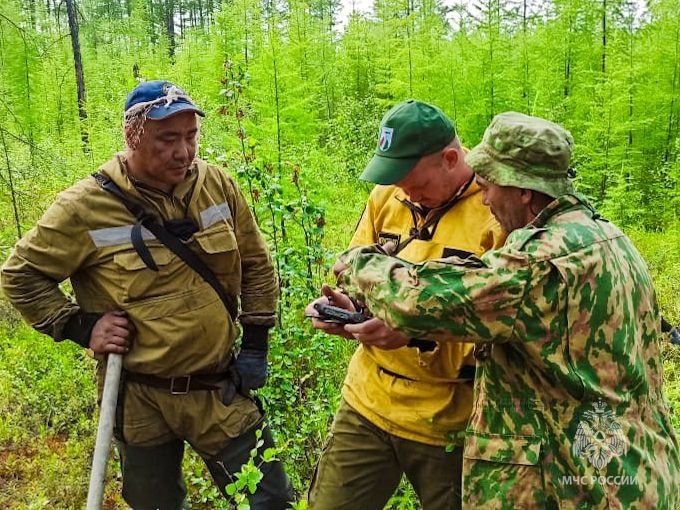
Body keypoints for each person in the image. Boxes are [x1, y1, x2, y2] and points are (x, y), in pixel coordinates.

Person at [328, 111, 680, 508]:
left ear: (524, 190)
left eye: (489, 185)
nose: (486, 197)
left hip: (583, 484)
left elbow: (415, 297)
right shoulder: (608, 238)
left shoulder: (540, 262)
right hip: (636, 468)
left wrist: (357, 263)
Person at [1, 80, 294, 509]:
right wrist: (81, 326)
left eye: (191, 136)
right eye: (168, 139)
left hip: (219, 387)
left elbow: (256, 263)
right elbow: (20, 275)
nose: (184, 151)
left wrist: (255, 346)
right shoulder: (84, 206)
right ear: (134, 137)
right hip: (139, 397)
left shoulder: (217, 185)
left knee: (270, 501)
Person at [307, 100, 505, 510]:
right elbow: (356, 266)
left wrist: (414, 332)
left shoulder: (496, 213)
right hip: (367, 400)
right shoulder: (389, 195)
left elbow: (502, 328)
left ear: (451, 159)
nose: (402, 191)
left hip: (448, 422)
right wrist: (352, 308)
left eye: (413, 181)